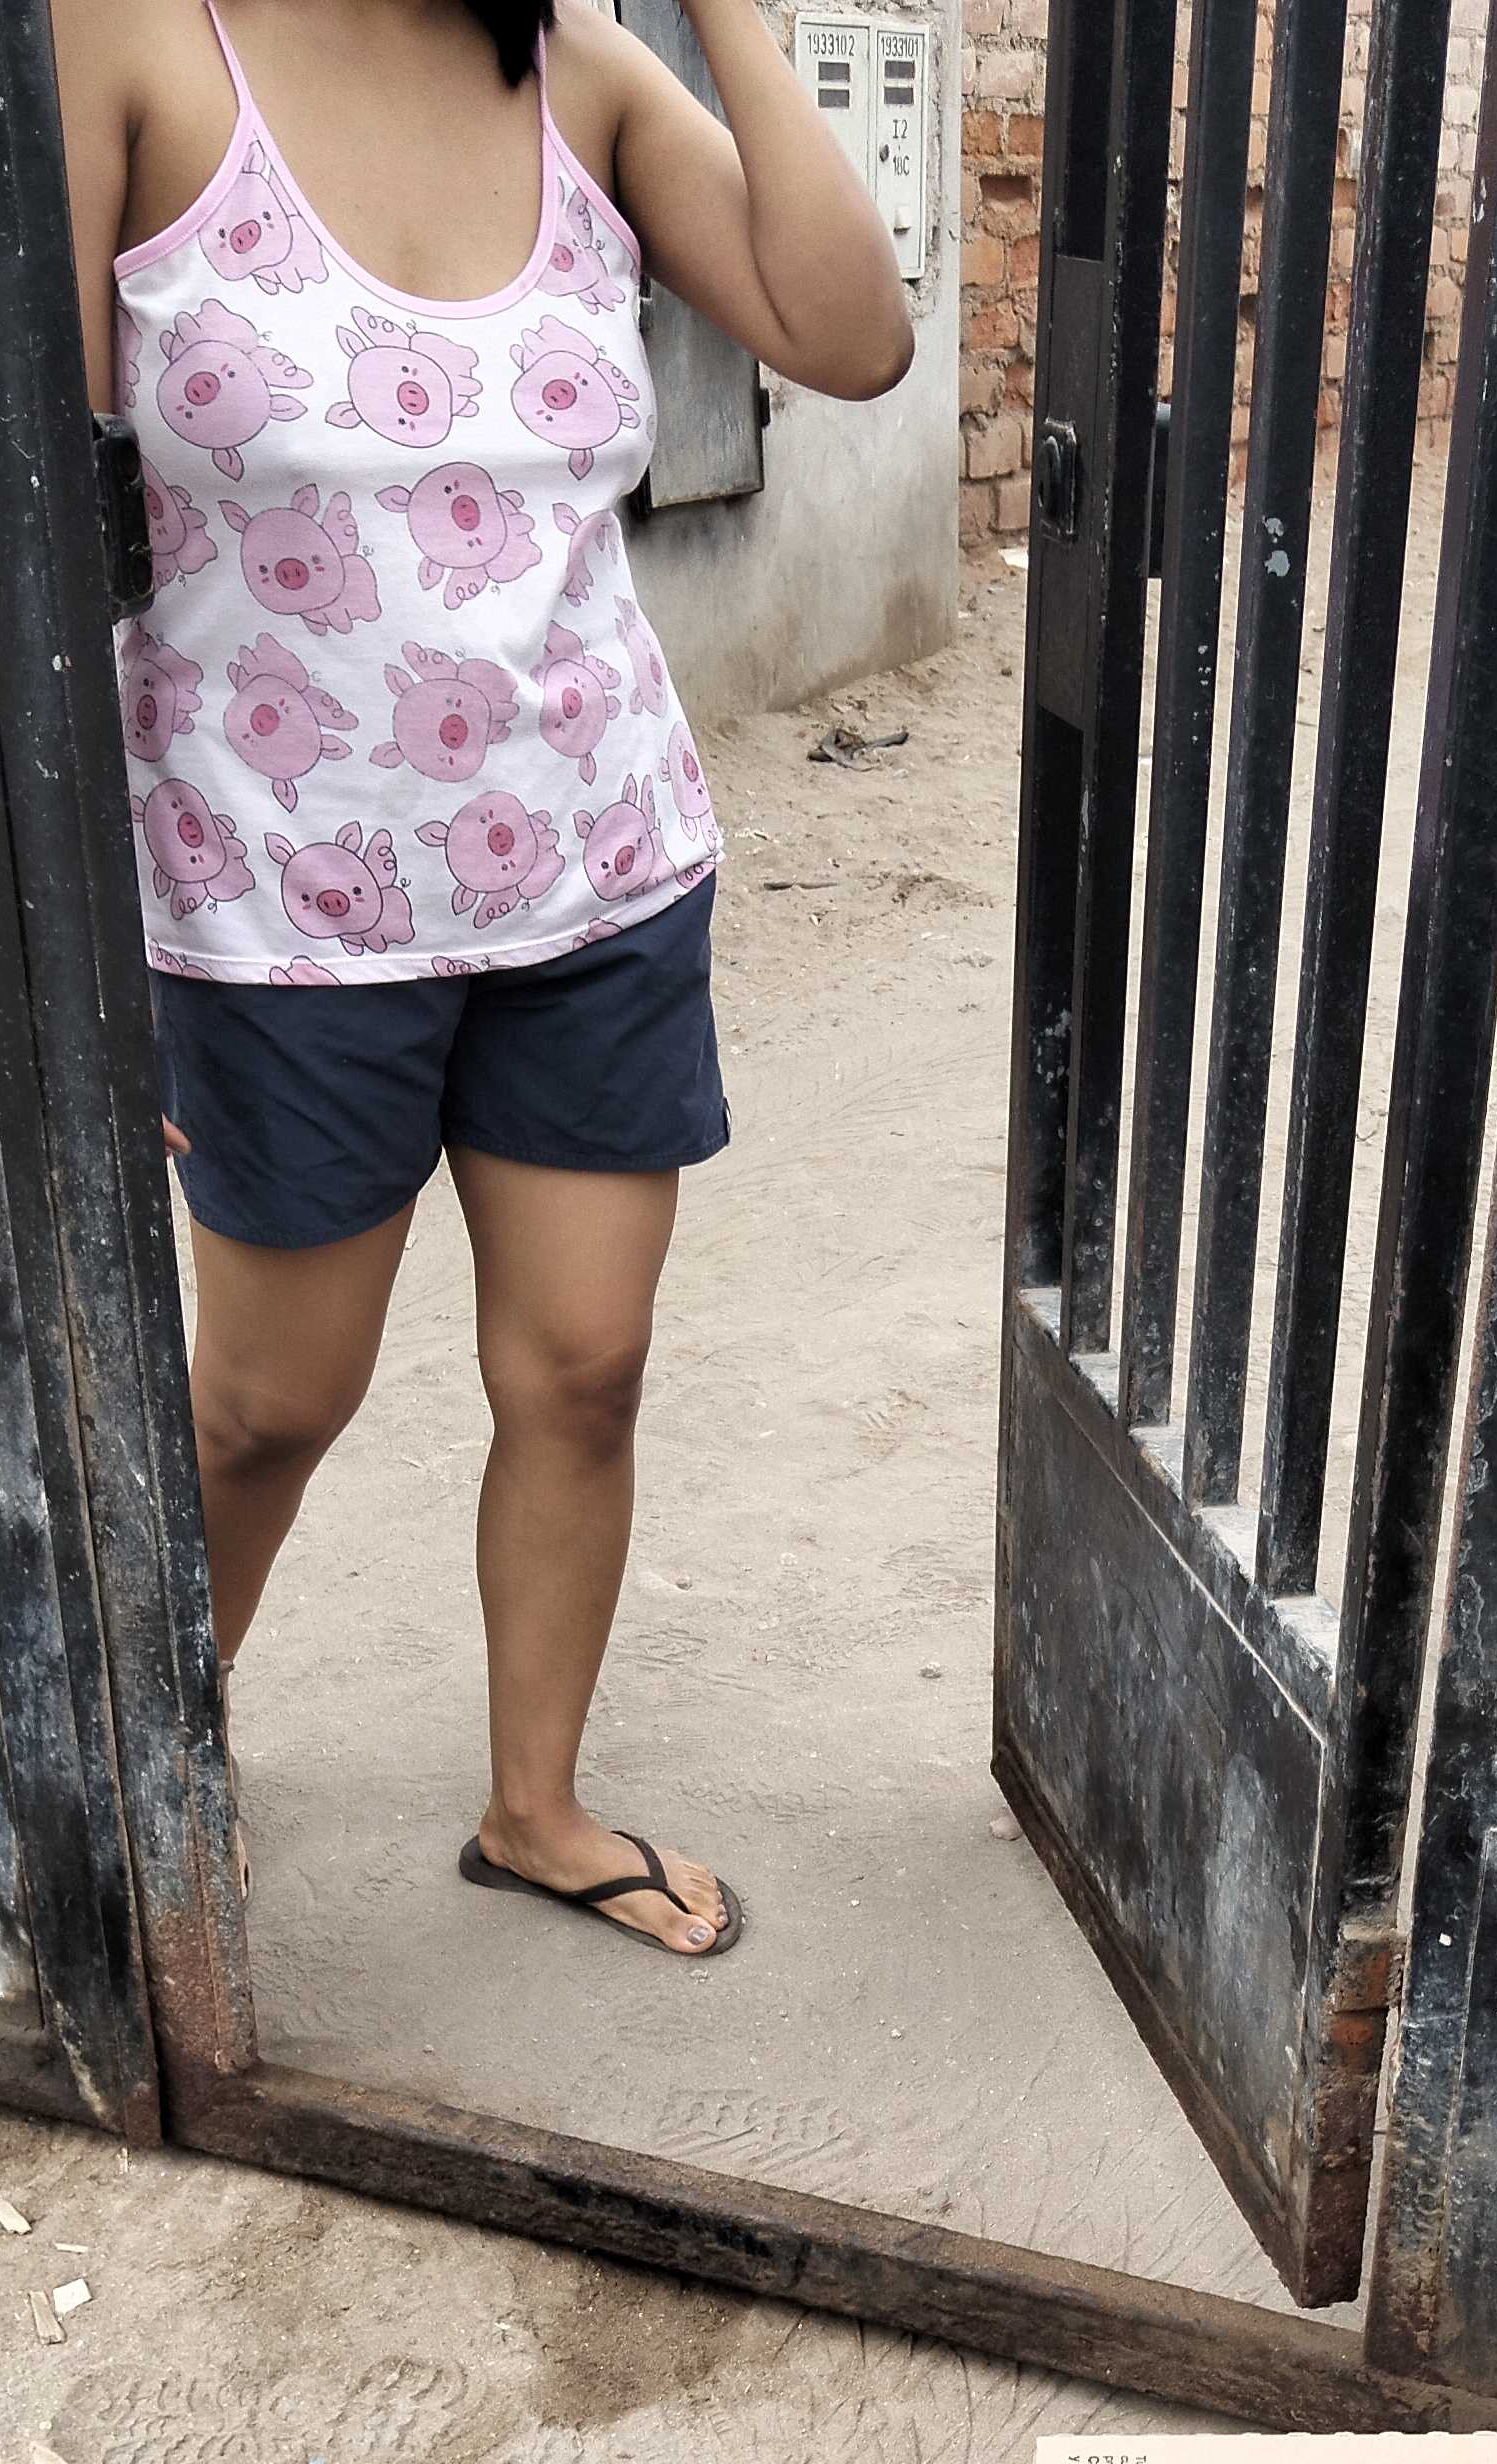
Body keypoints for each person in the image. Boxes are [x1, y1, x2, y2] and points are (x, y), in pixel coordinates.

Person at [53, 0, 910, 1955]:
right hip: (272, 909)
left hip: (598, 870)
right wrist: (82, 963)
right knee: (266, 1405)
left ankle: (537, 1807)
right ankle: (138, 1775)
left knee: (583, 1370)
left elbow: (851, 338)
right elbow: (15, 514)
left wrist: (726, 17)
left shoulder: (587, 78)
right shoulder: (137, 46)